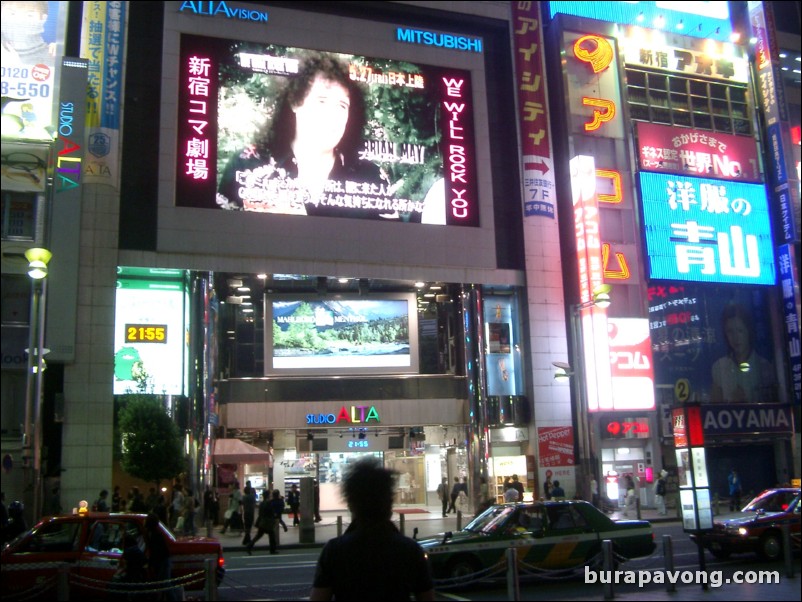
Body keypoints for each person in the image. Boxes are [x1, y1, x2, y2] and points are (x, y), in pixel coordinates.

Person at [217, 52, 395, 220]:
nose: (332, 115)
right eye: (322, 101)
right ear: (295, 102)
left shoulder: (371, 178)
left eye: (342, 105)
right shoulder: (248, 164)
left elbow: (391, 246)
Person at [309, 457, 434, 601]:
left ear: (351, 504)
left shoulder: (334, 551)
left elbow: (319, 597)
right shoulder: (410, 550)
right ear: (389, 503)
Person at [710, 303, 776, 404]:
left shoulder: (765, 368)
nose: (736, 338)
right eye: (730, 331)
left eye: (740, 331)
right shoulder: (719, 367)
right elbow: (713, 408)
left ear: (749, 331)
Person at [144, 512, 178, 601]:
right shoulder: (154, 533)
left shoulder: (155, 535)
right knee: (164, 584)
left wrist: (150, 562)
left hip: (163, 561)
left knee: (165, 584)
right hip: (163, 560)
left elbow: (157, 552)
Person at [247, 490, 277, 555]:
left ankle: (249, 546)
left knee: (259, 535)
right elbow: (270, 512)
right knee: (271, 535)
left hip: (262, 521)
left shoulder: (262, 503)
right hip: (267, 522)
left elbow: (260, 513)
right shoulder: (268, 503)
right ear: (268, 495)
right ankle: (272, 550)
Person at [241, 481, 257, 545]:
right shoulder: (252, 496)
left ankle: (247, 539)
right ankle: (247, 539)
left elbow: (241, 503)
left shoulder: (244, 497)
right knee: (249, 525)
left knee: (247, 525)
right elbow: (254, 500)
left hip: (246, 512)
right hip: (251, 512)